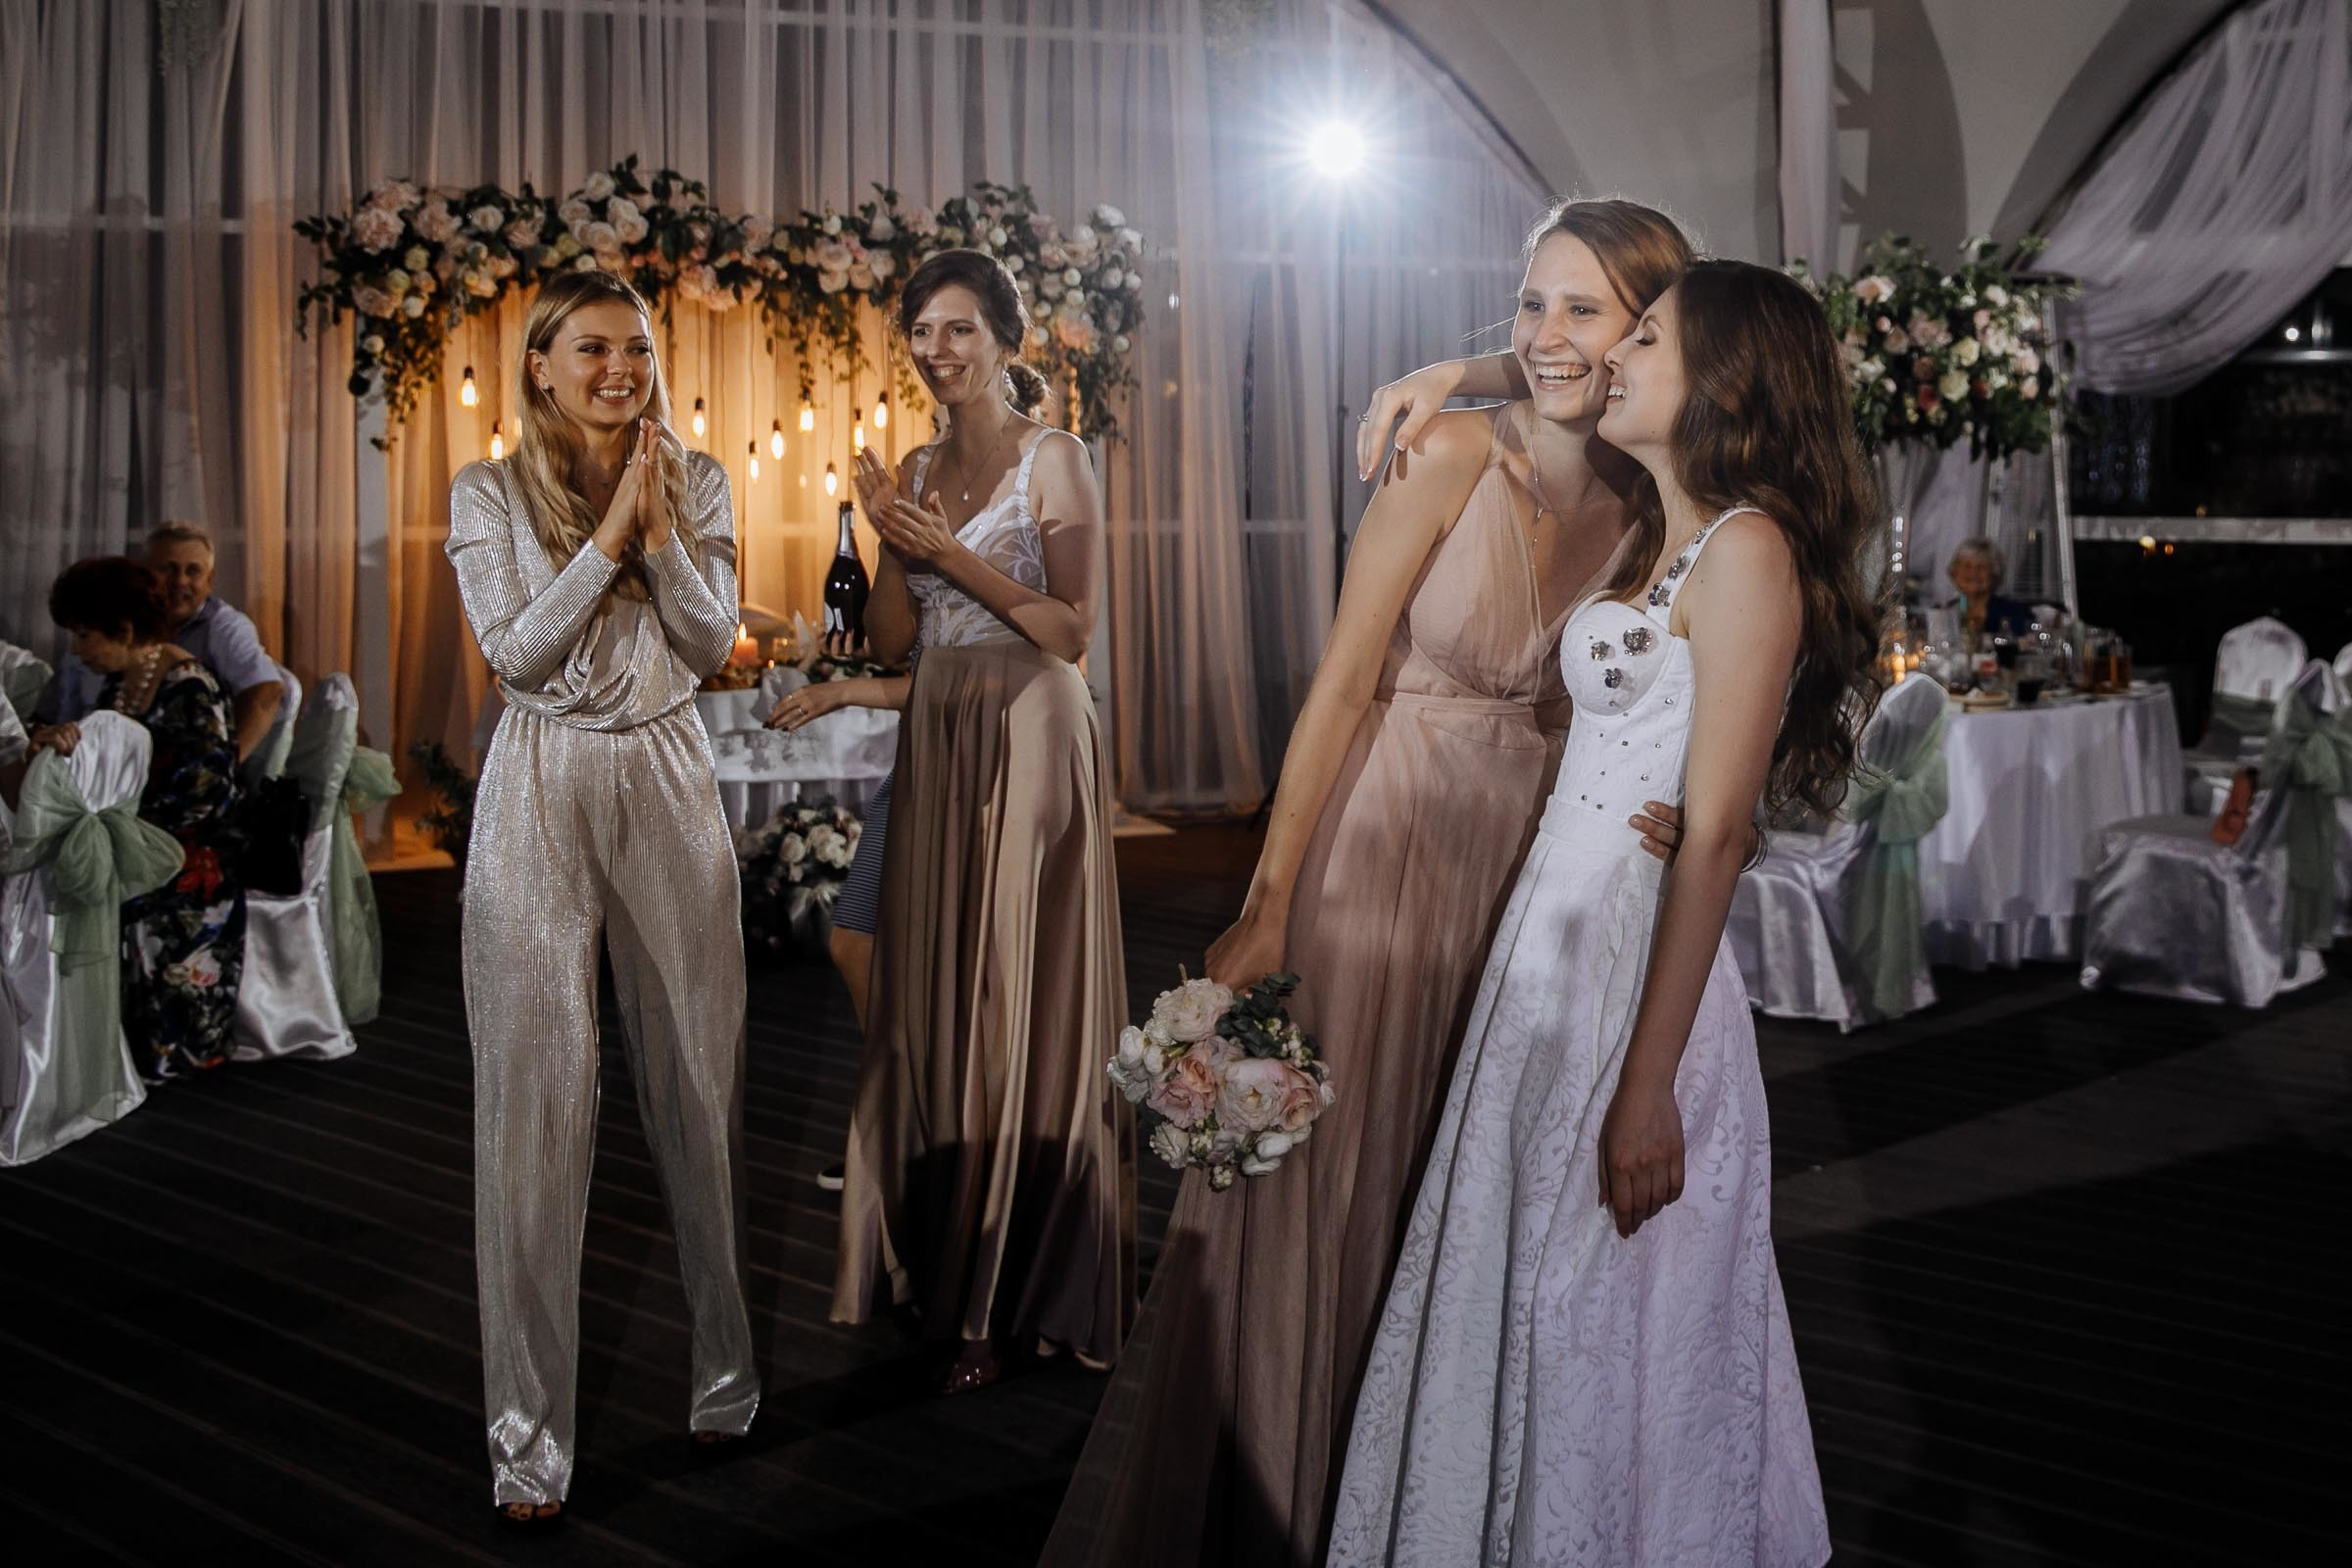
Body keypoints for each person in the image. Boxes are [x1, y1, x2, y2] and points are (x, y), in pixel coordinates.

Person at [1041, 199, 1701, 1568]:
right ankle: (1282, 1507)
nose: (1543, 334)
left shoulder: (1659, 497)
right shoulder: (1447, 453)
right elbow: (1340, 686)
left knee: (1458, 1193)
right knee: (1330, 1192)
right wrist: (1271, 900)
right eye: (1527, 306)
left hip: (1536, 869)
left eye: (1582, 309)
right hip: (1385, 847)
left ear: (1646, 329)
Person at [1330, 260, 1872, 1566]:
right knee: (1521, 1285)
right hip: (1551, 944)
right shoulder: (1668, 532)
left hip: (1633, 975)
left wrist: (1652, 1083)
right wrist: (1449, 373)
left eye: (1647, 337)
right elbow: (1551, 371)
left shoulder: (1742, 550)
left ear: (1724, 379)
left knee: (1594, 1308)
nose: (1609, 355)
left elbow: (1722, 828)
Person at [444, 269, 758, 1522]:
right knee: (533, 1107)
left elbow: (708, 640)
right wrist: (606, 549)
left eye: (635, 347)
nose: (619, 368)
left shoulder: (703, 478)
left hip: (669, 779)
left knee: (700, 1084)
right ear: (540, 364)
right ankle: (528, 1444)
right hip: (537, 786)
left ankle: (726, 1376)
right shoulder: (485, 491)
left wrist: (661, 533)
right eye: (592, 349)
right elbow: (516, 651)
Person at [830, 249, 1132, 1396]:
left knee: (1014, 997)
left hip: (1033, 726)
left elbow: (1069, 630)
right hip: (942, 727)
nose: (937, 350)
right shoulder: (914, 463)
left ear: (1007, 340)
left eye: (959, 330)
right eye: (921, 331)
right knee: (937, 994)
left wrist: (948, 549)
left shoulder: (1056, 457)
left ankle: (1015, 1284)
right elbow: (904, 639)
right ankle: (947, 1256)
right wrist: (887, 536)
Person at [31, 557, 246, 1079]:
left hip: (188, 859)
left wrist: (119, 830)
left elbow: (209, 792)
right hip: (144, 845)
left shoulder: (190, 685)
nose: (76, 650)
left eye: (84, 635)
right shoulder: (122, 684)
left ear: (124, 630)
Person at [766, 670, 912, 1194]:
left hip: (977, 747)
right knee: (854, 942)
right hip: (920, 748)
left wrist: (840, 691)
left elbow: (970, 671)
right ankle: (899, 1122)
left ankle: (912, 1130)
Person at [46, 521, 285, 761]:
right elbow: (55, 715)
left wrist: (228, 765)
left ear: (210, 580)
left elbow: (266, 692)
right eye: (168, 569)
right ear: (145, 574)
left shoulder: (214, 643)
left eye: (193, 571)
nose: (179, 581)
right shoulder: (114, 663)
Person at [1943, 534, 2034, 641]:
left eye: (1981, 567)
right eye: (1967, 566)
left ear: (1994, 574)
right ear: (1954, 573)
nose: (1974, 573)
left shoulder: (2015, 613)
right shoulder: (1945, 612)